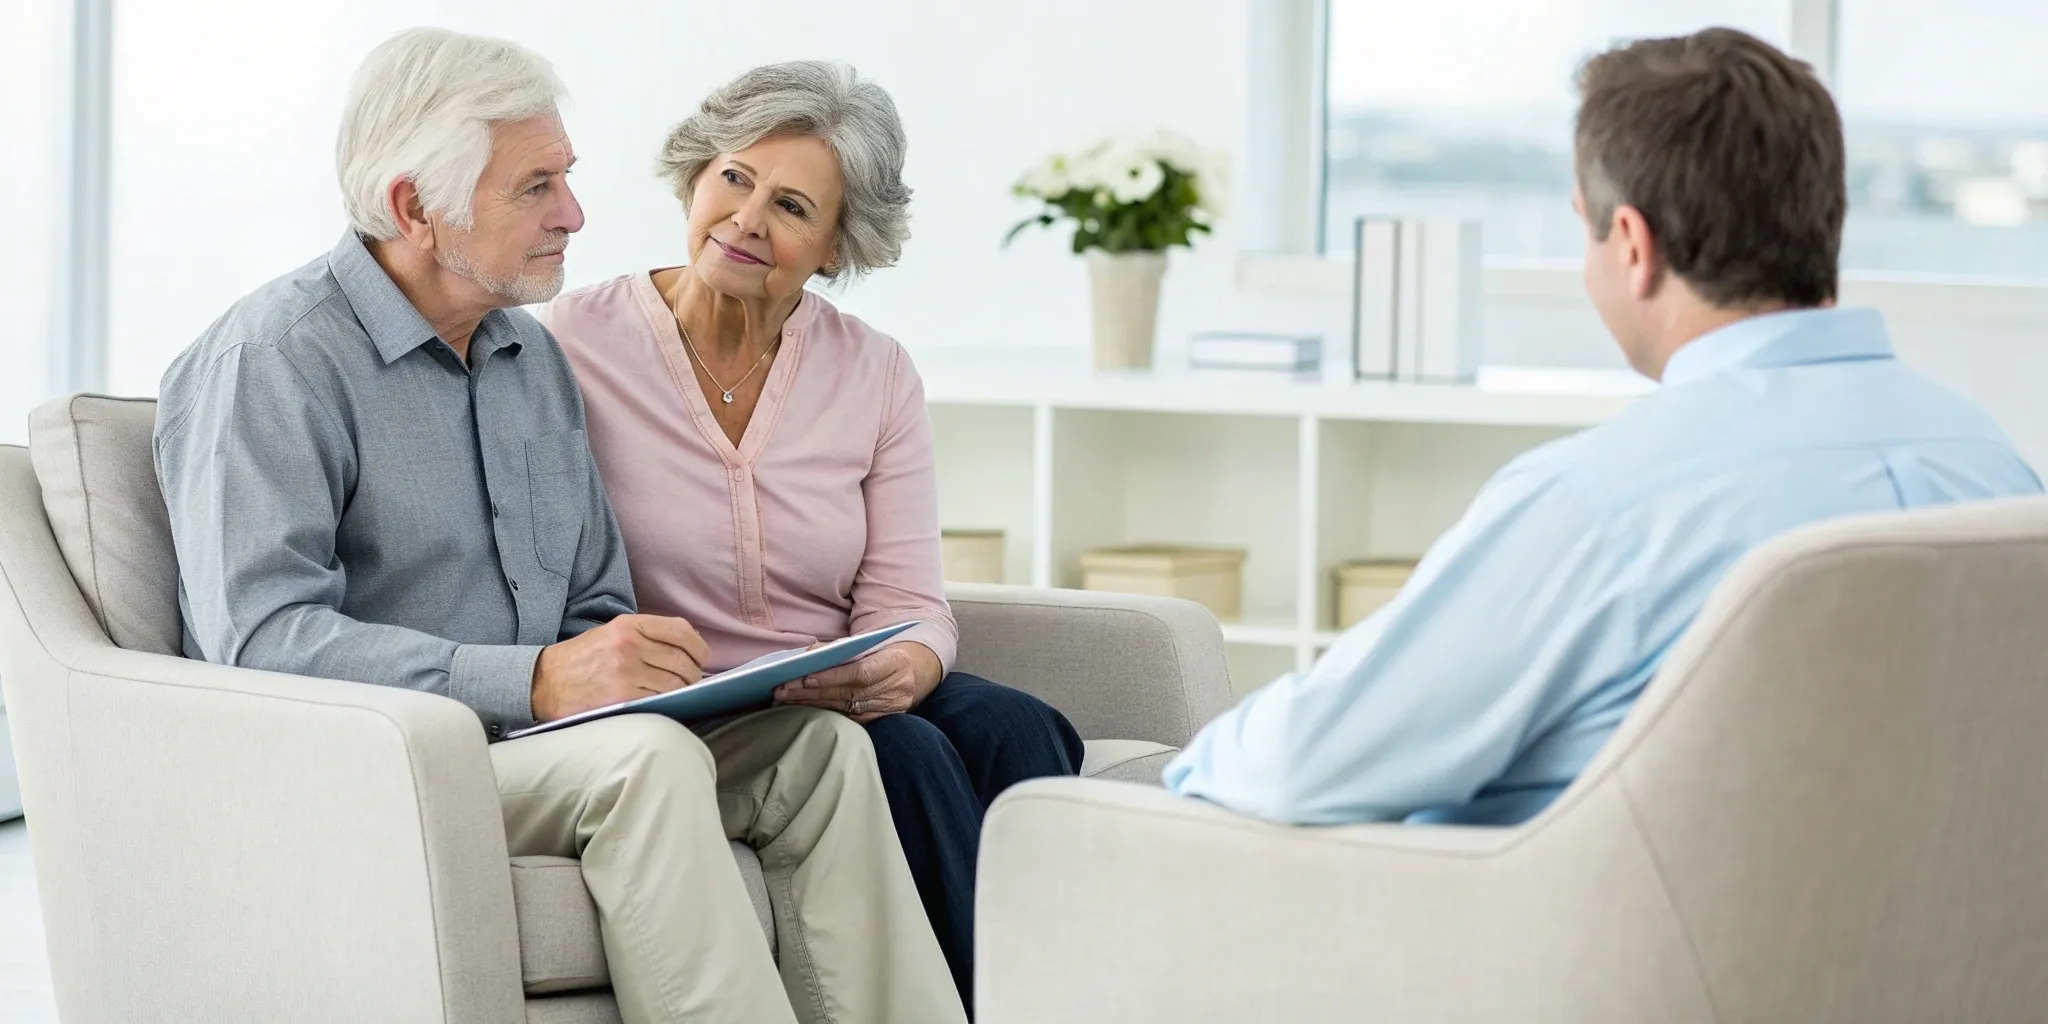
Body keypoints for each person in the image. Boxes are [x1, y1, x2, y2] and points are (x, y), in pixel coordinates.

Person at [152, 29, 963, 1024]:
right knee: (647, 764)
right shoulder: (273, 361)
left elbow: (592, 596)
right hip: (375, 764)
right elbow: (258, 639)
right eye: (536, 187)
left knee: (822, 755)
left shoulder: (527, 360)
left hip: (541, 749)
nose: (574, 213)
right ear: (415, 207)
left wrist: (625, 663)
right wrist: (532, 680)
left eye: (566, 178)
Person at [1165, 27, 2044, 827]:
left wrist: (1179, 763)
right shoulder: (1995, 470)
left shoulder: (1600, 506)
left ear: (1632, 244)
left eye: (1585, 235)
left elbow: (1297, 767)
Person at [538, 60, 1083, 1008]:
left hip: (833, 680)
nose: (747, 220)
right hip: (687, 705)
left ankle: (1071, 997)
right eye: (734, 178)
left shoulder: (875, 371)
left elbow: (910, 597)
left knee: (1018, 726)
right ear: (695, 177)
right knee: (905, 756)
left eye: (791, 206)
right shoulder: (569, 344)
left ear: (837, 247)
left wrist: (907, 664)